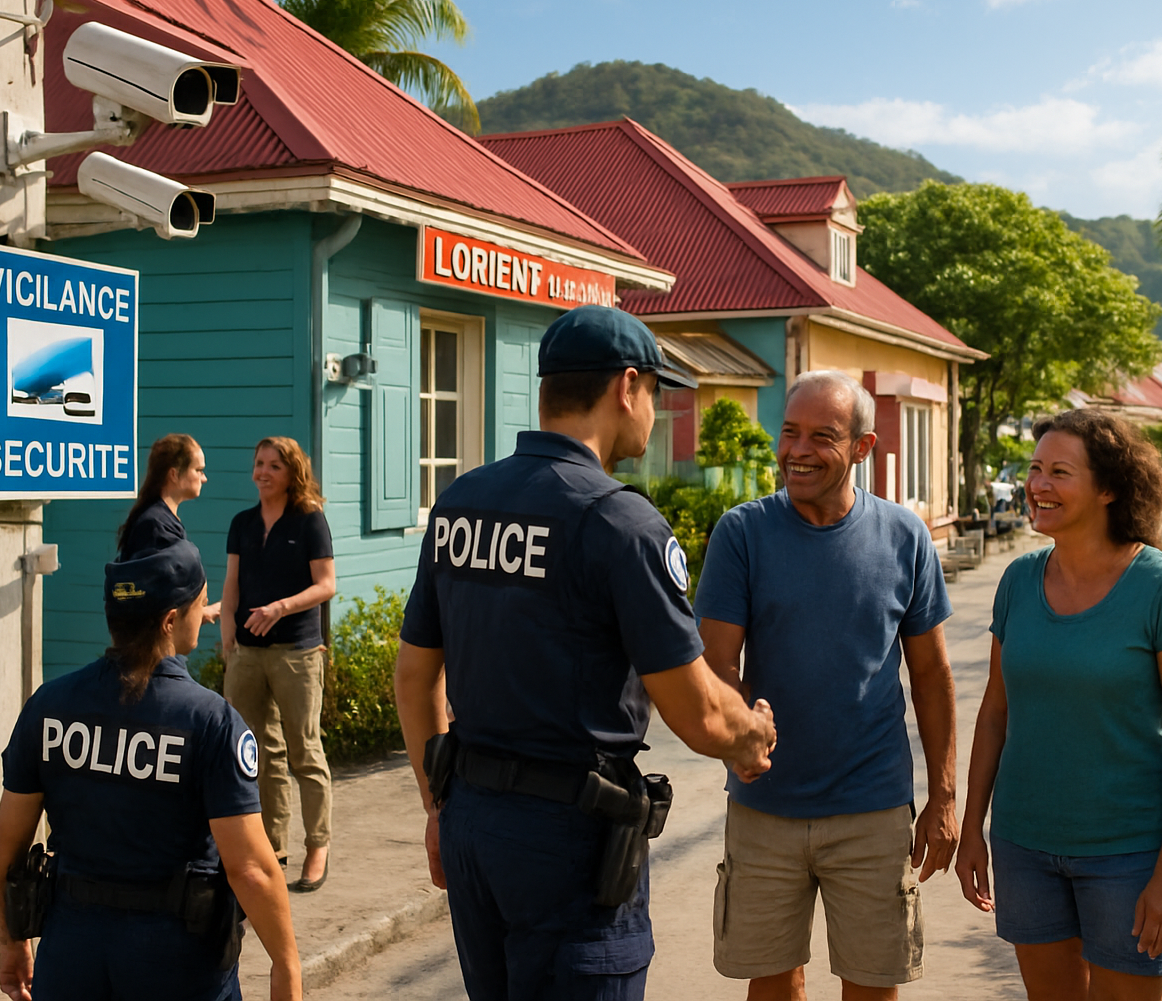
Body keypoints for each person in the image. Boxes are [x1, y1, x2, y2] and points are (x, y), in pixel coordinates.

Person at [394, 304, 777, 1001]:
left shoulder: (462, 502)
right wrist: (751, 734)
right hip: (569, 836)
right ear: (625, 387)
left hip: (474, 819)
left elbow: (416, 674)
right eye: (656, 394)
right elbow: (696, 714)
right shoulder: (619, 522)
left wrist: (441, 807)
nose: (654, 414)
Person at [695, 370, 957, 1001]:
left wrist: (945, 796)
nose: (798, 450)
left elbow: (931, 673)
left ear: (862, 449)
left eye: (822, 436)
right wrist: (738, 738)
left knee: (873, 983)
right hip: (765, 806)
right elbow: (716, 663)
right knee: (773, 980)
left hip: (873, 807)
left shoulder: (905, 536)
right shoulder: (743, 534)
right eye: (789, 432)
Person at [955, 409, 1162, 1001]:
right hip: (1024, 845)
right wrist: (973, 827)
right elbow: (996, 712)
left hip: (1129, 853)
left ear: (1109, 489)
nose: (1038, 485)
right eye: (1035, 469)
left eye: (1059, 473)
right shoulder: (1019, 580)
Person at [0, 539, 301, 1001]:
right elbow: (251, 868)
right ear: (171, 621)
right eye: (200, 602)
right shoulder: (211, 722)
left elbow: (7, 847)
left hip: (71, 951)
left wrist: (11, 940)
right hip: (176, 959)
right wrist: (286, 964)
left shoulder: (48, 707)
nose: (206, 613)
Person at [221, 436, 337, 891]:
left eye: (273, 465)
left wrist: (280, 608)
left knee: (304, 751)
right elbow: (232, 581)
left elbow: (325, 585)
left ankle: (317, 846)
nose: (263, 472)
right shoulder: (242, 523)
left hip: (297, 652)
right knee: (258, 755)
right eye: (259, 464)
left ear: (292, 473)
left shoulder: (310, 521)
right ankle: (273, 847)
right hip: (246, 653)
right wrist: (229, 632)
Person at [119, 433, 220, 623]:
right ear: (174, 474)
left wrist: (202, 613)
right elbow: (155, 599)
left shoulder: (162, 519)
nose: (204, 478)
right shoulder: (155, 525)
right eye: (198, 470)